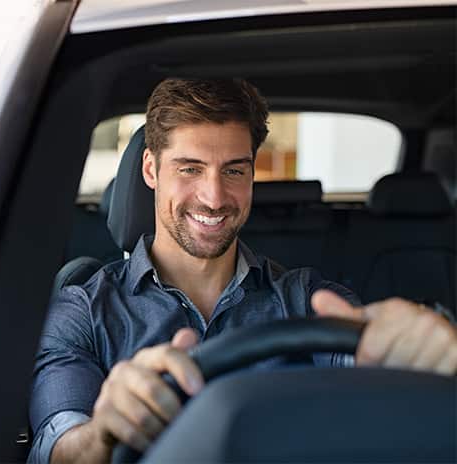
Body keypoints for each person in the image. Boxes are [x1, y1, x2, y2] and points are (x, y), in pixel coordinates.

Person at [28, 78, 457, 464]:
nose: (214, 197)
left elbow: (369, 367)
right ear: (150, 170)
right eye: (190, 169)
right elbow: (60, 446)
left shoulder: (306, 299)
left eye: (234, 170)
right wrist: (103, 431)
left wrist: (416, 359)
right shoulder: (82, 311)